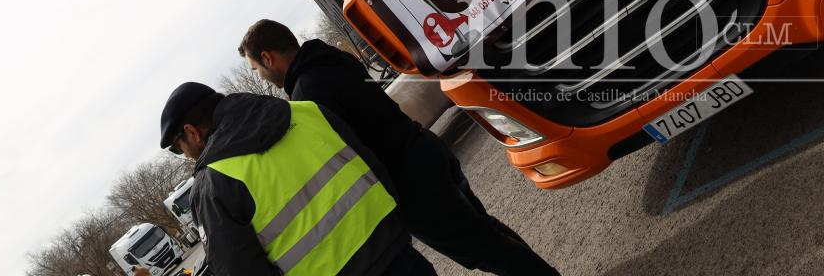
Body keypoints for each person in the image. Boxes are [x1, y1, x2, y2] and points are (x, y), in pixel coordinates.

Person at [239, 20, 559, 276]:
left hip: (410, 183)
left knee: (485, 249)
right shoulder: (333, 59)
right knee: (485, 232)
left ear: (268, 58)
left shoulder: (307, 95)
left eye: (257, 68)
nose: (262, 76)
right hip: (424, 148)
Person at [159, 81, 436, 276]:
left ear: (192, 132)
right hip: (398, 254)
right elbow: (372, 164)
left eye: (177, 146)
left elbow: (238, 269)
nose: (183, 153)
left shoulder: (214, 184)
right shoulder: (305, 111)